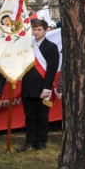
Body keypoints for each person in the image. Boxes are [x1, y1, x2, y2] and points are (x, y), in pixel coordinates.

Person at [19, 18, 60, 152]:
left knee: (42, 116)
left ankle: (41, 142)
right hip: (27, 87)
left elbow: (52, 70)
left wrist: (47, 88)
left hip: (43, 87)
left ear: (46, 30)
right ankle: (29, 142)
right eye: (34, 29)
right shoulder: (27, 46)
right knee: (29, 116)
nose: (36, 32)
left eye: (39, 30)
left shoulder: (52, 47)